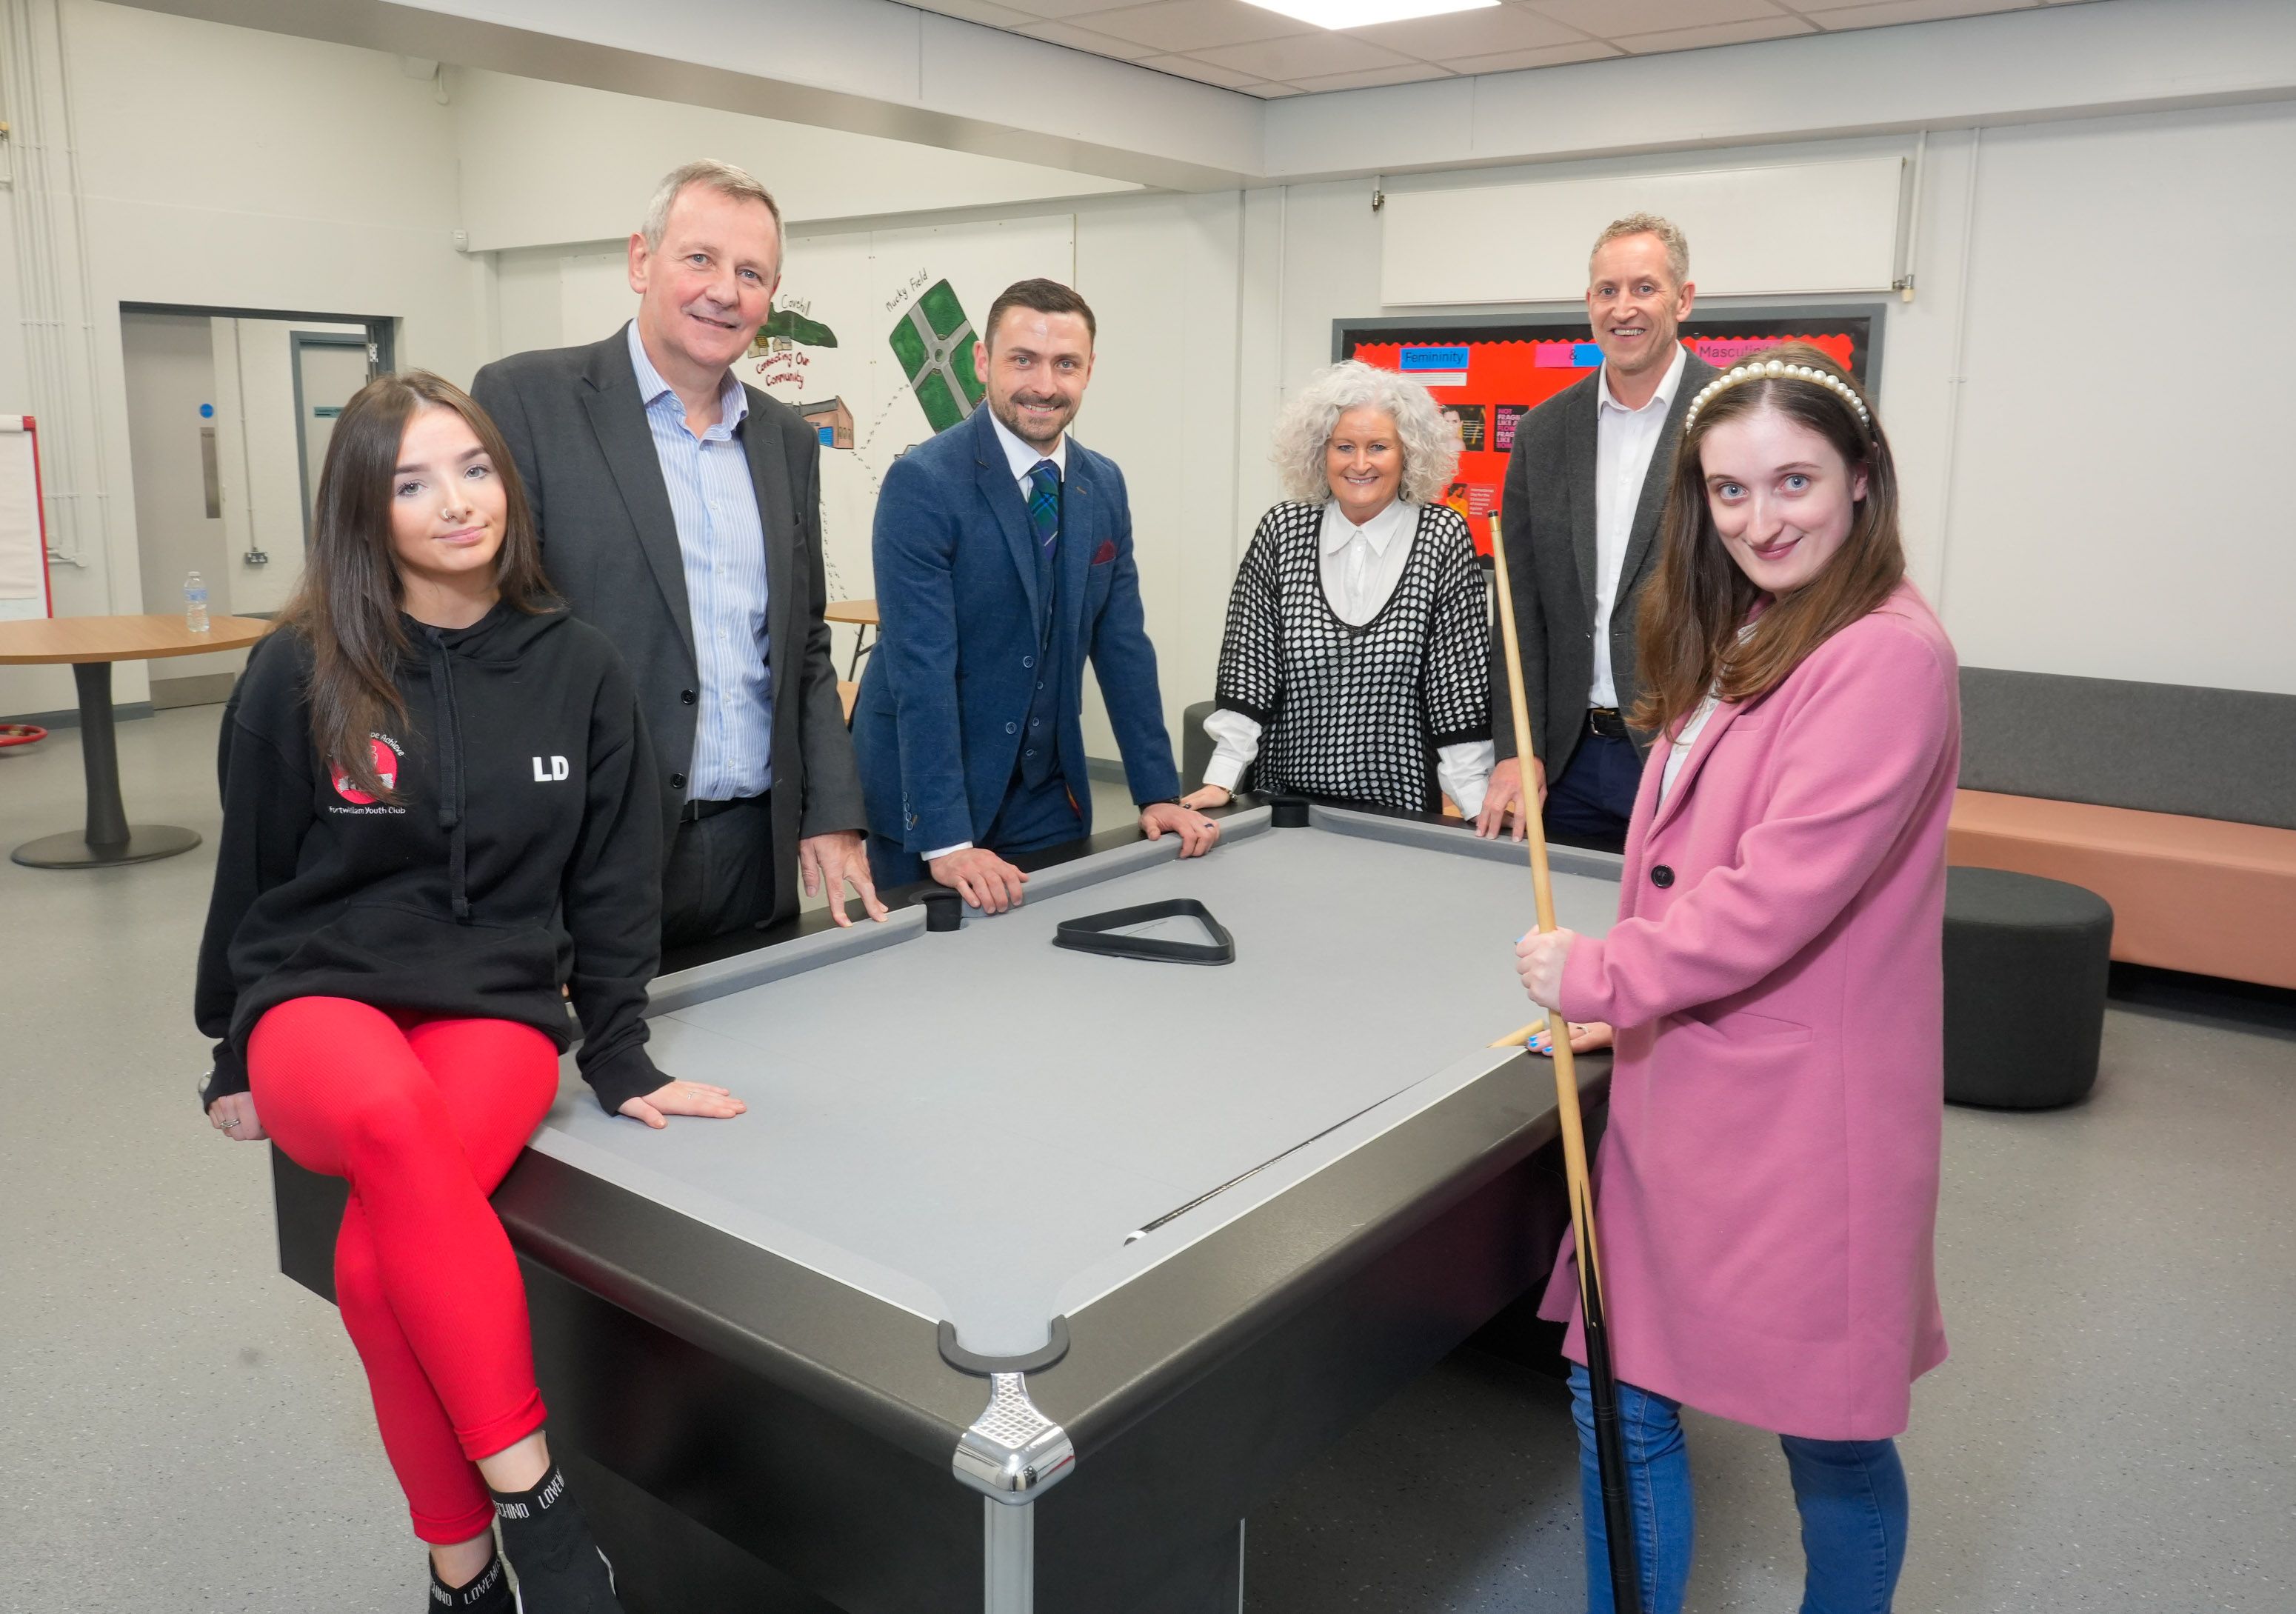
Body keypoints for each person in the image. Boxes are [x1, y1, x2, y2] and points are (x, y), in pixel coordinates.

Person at [196, 372, 748, 1613]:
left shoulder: (581, 666)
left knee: (377, 1264)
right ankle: (541, 1510)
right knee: (391, 1119)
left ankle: (459, 1577)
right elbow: (253, 864)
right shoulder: (301, 665)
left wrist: (620, 1054)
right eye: (412, 481)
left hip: (495, 1003)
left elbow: (614, 886)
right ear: (365, 509)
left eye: (475, 468)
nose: (457, 502)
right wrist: (229, 1044)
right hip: (316, 994)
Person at [1512, 345, 1958, 1614]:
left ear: (1862, 481)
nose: (1762, 519)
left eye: (1795, 482)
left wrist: (1601, 969)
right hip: (1692, 1083)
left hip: (1801, 1122)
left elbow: (1775, 894)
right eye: (1729, 491)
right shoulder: (1761, 622)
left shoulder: (1886, 654)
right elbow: (1687, 859)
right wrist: (1622, 1005)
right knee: (1623, 1393)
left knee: (1829, 1429)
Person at [472, 159, 883, 948]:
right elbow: (489, 643)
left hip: (752, 854)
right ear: (640, 260)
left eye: (752, 272)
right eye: (699, 258)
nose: (724, 291)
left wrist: (831, 811)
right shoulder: (526, 402)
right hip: (587, 854)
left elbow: (804, 648)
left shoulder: (787, 441)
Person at [852, 278, 1216, 910]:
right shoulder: (923, 482)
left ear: (1089, 369)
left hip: (1049, 792)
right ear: (981, 362)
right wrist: (946, 840)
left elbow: (1123, 645)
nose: (1044, 385)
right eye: (1023, 359)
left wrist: (1157, 791)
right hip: (932, 797)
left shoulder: (1103, 484)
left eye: (1065, 364)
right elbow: (921, 668)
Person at [1475, 213, 1721, 853]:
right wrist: (1515, 748)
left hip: (1687, 759)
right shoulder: (1543, 432)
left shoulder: (1734, 417)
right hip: (1566, 766)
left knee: (1677, 948)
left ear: (1684, 299)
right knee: (1557, 947)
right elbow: (1519, 606)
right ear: (1589, 303)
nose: (1624, 308)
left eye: (1645, 288)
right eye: (1607, 291)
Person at [1179, 360, 1492, 817]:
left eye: (1379, 447)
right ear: (1320, 453)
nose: (1360, 464)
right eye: (1344, 447)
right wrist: (1220, 780)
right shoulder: (1283, 531)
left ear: (1409, 453)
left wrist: (1476, 805)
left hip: (1397, 808)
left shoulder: (1442, 535)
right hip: (1283, 805)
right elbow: (1249, 669)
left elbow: (1458, 690)